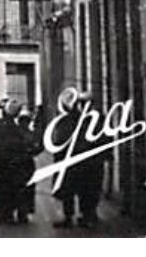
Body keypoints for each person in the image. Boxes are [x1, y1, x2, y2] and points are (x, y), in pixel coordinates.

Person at [54, 92, 106, 229]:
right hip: (80, 161)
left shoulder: (93, 119)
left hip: (86, 161)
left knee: (85, 190)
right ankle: (78, 216)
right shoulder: (75, 118)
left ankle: (84, 216)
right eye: (82, 103)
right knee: (74, 190)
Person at [0, 99, 28, 225]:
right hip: (12, 164)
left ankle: (1, 214)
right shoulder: (18, 128)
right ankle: (13, 213)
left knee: (0, 189)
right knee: (12, 188)